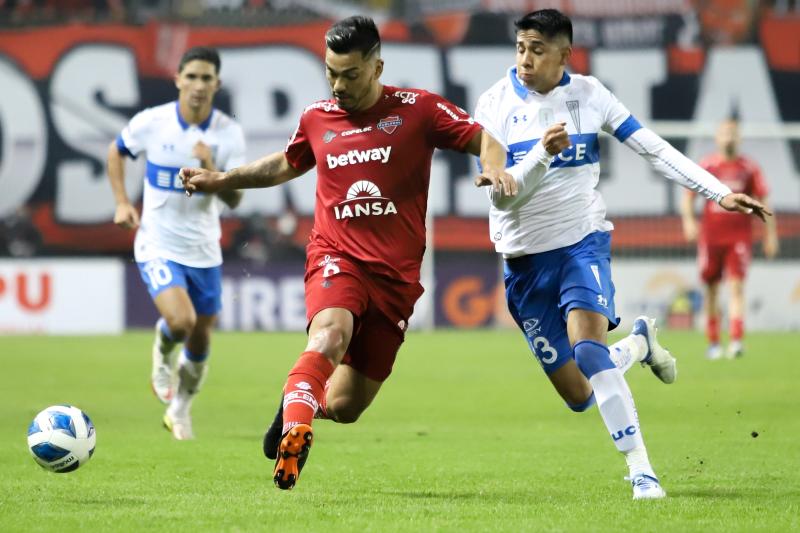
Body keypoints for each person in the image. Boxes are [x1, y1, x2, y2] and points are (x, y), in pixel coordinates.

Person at [180, 16, 501, 490]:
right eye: (331, 72)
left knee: (348, 406)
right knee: (330, 333)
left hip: (395, 279)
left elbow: (484, 139)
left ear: (377, 67)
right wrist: (223, 179)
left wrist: (494, 170)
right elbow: (284, 164)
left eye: (350, 74)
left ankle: (301, 399)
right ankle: (297, 425)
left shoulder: (418, 110)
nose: (338, 84)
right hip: (337, 257)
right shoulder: (317, 117)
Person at [473, 9, 772, 499]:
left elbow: (653, 148)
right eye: (521, 48)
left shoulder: (589, 95)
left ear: (564, 54)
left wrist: (718, 192)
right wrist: (541, 155)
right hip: (523, 261)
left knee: (589, 348)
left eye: (538, 50)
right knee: (578, 394)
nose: (525, 59)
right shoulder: (495, 103)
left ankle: (642, 472)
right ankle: (637, 343)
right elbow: (503, 196)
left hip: (580, 242)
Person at [107, 46, 246, 440]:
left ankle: (180, 410)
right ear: (178, 79)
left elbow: (235, 198)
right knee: (181, 322)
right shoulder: (153, 123)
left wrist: (213, 171)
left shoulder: (228, 134)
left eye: (207, 78)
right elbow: (116, 152)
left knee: (202, 336)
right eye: (192, 76)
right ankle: (162, 353)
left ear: (217, 84)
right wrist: (121, 202)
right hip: (157, 242)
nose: (199, 85)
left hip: (204, 249)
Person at [680, 119, 778, 359]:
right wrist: (689, 221)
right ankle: (713, 343)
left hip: (739, 237)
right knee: (711, 289)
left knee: (736, 287)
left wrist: (770, 235)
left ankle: (735, 340)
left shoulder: (749, 168)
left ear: (740, 138)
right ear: (717, 137)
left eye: (733, 133)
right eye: (725, 133)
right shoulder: (707, 166)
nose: (729, 137)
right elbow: (688, 197)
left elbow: (764, 201)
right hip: (711, 237)